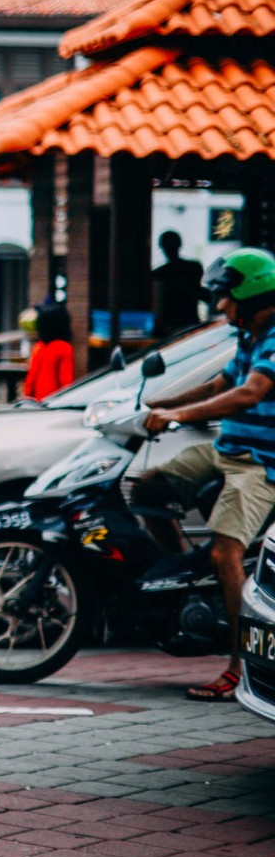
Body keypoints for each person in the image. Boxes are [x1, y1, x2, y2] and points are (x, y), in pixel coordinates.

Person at [135, 248, 275, 703]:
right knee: (148, 487)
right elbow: (219, 385)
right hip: (225, 450)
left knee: (225, 552)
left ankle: (237, 665)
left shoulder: (274, 339)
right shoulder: (249, 336)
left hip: (260, 463)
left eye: (224, 296)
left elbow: (248, 393)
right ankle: (184, 572)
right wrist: (155, 404)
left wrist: (178, 415)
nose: (219, 306)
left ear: (251, 295)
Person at [153, 231, 206, 337]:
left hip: (175, 325)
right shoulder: (193, 267)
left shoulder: (160, 273)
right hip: (187, 323)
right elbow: (203, 294)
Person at [22, 303, 75, 401]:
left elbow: (31, 379)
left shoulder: (39, 347)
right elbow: (66, 381)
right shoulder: (64, 348)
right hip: (54, 401)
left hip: (36, 401)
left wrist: (27, 398)